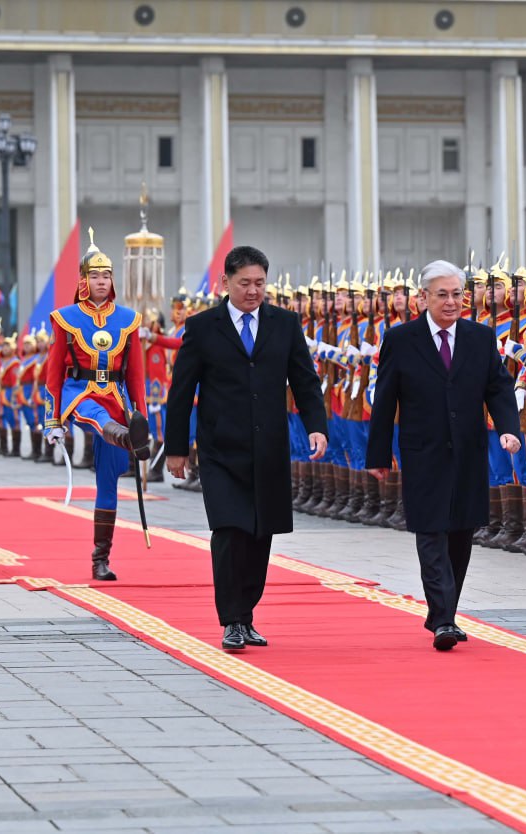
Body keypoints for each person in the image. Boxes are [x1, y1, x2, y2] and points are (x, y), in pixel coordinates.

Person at [164, 245, 329, 652]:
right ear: (225, 283)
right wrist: (177, 448)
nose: (253, 291)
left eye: (259, 283)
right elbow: (181, 391)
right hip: (221, 449)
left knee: (260, 533)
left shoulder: (285, 324)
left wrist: (317, 428)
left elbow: (305, 381)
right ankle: (231, 620)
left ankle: (248, 613)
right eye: (245, 283)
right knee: (229, 531)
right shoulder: (203, 328)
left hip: (269, 446)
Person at [365, 259, 522, 651]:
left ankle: (443, 612)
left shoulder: (480, 337)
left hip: (468, 450)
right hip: (423, 452)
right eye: (442, 295)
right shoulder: (401, 339)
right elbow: (385, 401)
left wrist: (508, 430)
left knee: (461, 533)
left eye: (457, 294)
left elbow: (498, 389)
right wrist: (378, 455)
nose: (451, 302)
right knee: (431, 531)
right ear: (423, 298)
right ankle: (444, 618)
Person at [41, 230, 151, 581]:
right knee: (97, 414)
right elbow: (54, 373)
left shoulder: (129, 319)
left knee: (108, 482)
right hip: (81, 393)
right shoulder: (65, 317)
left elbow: (135, 376)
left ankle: (100, 558)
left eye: (106, 275)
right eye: (95, 275)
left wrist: (141, 418)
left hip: (117, 397)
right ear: (83, 281)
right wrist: (52, 420)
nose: (101, 281)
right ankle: (121, 434)